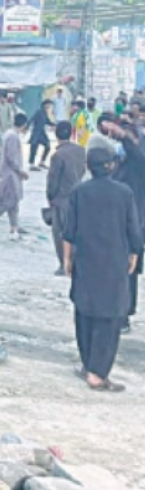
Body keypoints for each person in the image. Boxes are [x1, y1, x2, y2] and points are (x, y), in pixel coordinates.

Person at [65, 140, 142, 392]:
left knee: (84, 312)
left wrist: (67, 260)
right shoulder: (124, 193)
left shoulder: (79, 191)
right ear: (110, 166)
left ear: (89, 166)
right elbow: (134, 231)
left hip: (86, 261)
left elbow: (69, 232)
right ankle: (98, 374)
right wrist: (134, 254)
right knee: (109, 319)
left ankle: (88, 365)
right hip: (114, 263)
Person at [104, 120, 145, 331]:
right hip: (118, 223)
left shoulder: (138, 164)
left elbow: (138, 155)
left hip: (135, 225)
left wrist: (125, 136)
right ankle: (117, 311)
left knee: (129, 271)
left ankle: (125, 315)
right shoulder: (123, 161)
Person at [47, 121, 86, 277]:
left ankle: (64, 264)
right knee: (75, 232)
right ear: (71, 133)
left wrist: (50, 196)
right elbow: (82, 171)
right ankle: (75, 263)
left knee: (60, 233)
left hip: (61, 198)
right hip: (78, 195)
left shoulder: (58, 156)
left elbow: (53, 181)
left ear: (56, 134)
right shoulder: (81, 151)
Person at [0, 113, 30, 239]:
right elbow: (11, 157)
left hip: (10, 173)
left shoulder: (10, 134)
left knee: (14, 201)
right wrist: (20, 170)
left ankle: (14, 227)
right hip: (10, 174)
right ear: (24, 125)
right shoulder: (12, 136)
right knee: (9, 201)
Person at [28, 100, 54, 171]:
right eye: (48, 104)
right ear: (44, 104)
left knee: (48, 146)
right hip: (36, 132)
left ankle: (42, 162)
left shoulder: (45, 112)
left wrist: (55, 124)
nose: (49, 106)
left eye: (50, 105)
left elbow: (47, 121)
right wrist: (26, 127)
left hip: (42, 133)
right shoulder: (38, 111)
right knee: (34, 149)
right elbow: (31, 119)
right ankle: (32, 165)